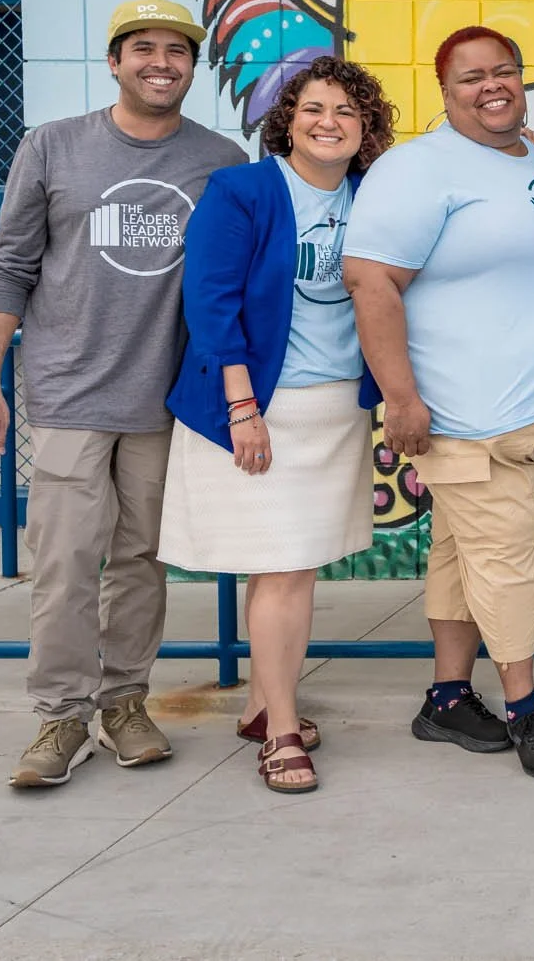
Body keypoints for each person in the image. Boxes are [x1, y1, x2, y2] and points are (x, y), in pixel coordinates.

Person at [341, 26, 534, 784]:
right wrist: (401, 397)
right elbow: (371, 281)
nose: (492, 85)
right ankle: (525, 707)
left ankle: (447, 696)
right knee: (507, 565)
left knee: (464, 552)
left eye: (503, 71)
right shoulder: (416, 169)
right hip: (470, 419)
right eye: (471, 76)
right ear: (443, 91)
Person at [0, 0, 248, 789]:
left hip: (165, 401)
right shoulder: (53, 146)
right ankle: (61, 714)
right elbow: (7, 265)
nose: (163, 63)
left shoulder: (219, 159)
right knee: (64, 563)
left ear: (194, 67)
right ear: (115, 60)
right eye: (145, 49)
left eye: (178, 51)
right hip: (69, 394)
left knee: (140, 563)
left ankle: (125, 701)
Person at [158, 57, 395, 793]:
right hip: (258, 406)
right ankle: (283, 732)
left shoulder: (373, 197)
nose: (329, 122)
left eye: (346, 112)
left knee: (295, 564)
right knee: (285, 566)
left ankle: (265, 702)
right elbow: (211, 300)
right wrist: (242, 410)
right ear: (287, 120)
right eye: (313, 108)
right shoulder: (244, 190)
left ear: (366, 129)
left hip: (333, 409)